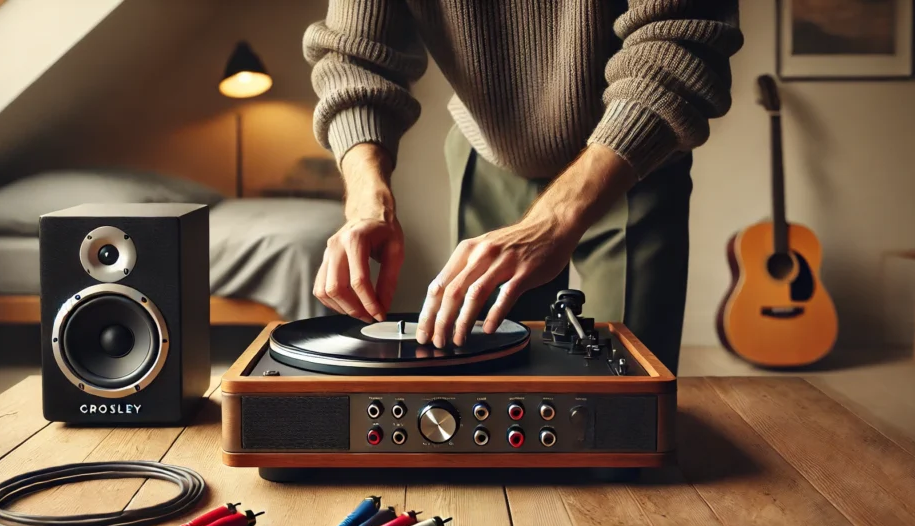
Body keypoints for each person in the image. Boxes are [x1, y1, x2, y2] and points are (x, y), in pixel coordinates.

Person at [303, 1, 743, 373]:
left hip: (632, 159)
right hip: (488, 153)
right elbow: (352, 58)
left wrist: (556, 217)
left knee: (625, 405)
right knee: (488, 383)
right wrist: (366, 203)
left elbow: (678, 39)